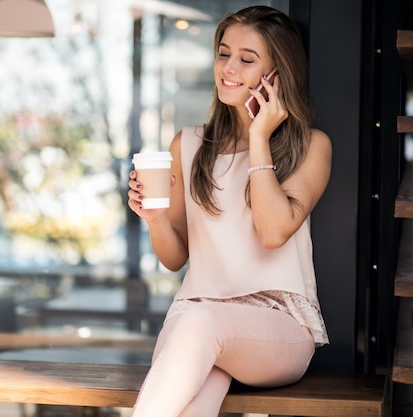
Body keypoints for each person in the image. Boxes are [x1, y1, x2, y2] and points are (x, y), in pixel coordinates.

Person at [127, 5, 331, 417]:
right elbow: (174, 258)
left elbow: (273, 232)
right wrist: (155, 220)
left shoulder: (310, 146)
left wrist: (259, 137)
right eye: (224, 53)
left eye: (247, 59)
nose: (229, 68)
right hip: (197, 321)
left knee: (202, 323)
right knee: (192, 405)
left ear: (277, 74)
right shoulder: (188, 145)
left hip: (276, 325)